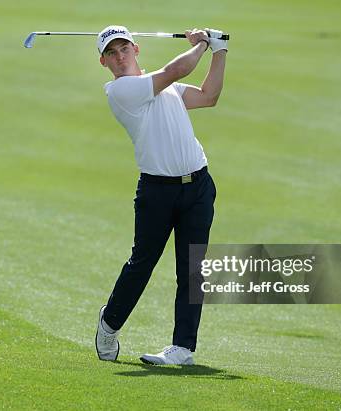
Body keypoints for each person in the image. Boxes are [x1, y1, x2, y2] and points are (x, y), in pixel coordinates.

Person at [94, 25, 227, 365]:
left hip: (197, 186)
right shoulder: (121, 91)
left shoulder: (167, 89)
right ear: (103, 62)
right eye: (111, 52)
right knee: (143, 264)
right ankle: (109, 323)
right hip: (157, 191)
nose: (119, 56)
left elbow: (209, 96)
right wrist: (200, 43)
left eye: (124, 48)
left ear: (136, 50)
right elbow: (176, 69)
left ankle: (183, 348)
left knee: (192, 267)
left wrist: (220, 50)